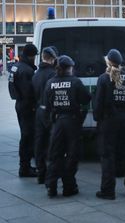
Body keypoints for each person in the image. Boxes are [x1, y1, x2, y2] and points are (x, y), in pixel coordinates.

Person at [93, 49, 125, 200]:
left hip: (109, 120)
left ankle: (108, 190)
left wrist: (97, 118)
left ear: (108, 62)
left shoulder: (104, 78)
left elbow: (98, 103)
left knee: (107, 155)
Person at [44, 55, 91, 197]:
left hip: (57, 122)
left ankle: (51, 186)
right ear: (69, 68)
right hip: (72, 121)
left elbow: (46, 104)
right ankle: (69, 186)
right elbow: (86, 98)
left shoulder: (50, 82)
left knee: (55, 154)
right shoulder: (75, 82)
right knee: (72, 154)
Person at [9, 44, 38, 177]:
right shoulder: (26, 70)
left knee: (25, 135)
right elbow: (29, 92)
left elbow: (12, 87)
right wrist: (34, 105)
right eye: (34, 56)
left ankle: (25, 166)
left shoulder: (15, 67)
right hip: (27, 106)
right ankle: (25, 167)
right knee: (27, 136)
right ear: (30, 55)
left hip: (19, 104)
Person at [32, 47, 58, 184]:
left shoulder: (36, 74)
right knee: (53, 143)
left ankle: (41, 173)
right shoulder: (52, 74)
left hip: (39, 111)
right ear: (52, 59)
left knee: (39, 143)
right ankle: (52, 174)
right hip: (50, 112)